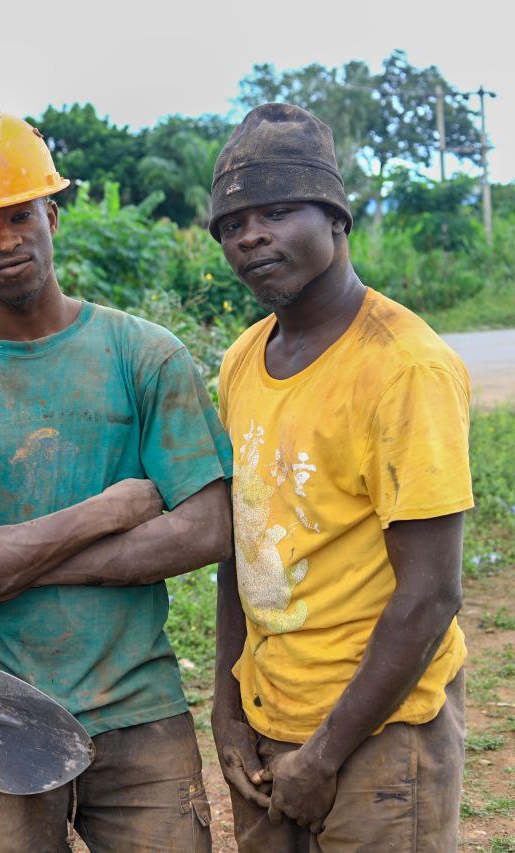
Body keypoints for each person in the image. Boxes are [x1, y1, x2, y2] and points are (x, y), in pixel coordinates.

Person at [0, 102, 233, 852]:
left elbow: (208, 526)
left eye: (19, 215)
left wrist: (12, 566)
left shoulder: (144, 355)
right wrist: (106, 510)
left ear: (53, 212)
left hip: (137, 705)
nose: (5, 240)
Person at [209, 103, 472, 851]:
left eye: (278, 210)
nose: (250, 235)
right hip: (265, 730)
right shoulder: (242, 359)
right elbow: (243, 545)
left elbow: (431, 594)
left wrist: (325, 753)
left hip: (382, 734)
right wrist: (227, 705)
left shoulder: (403, 366)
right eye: (231, 224)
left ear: (336, 218)